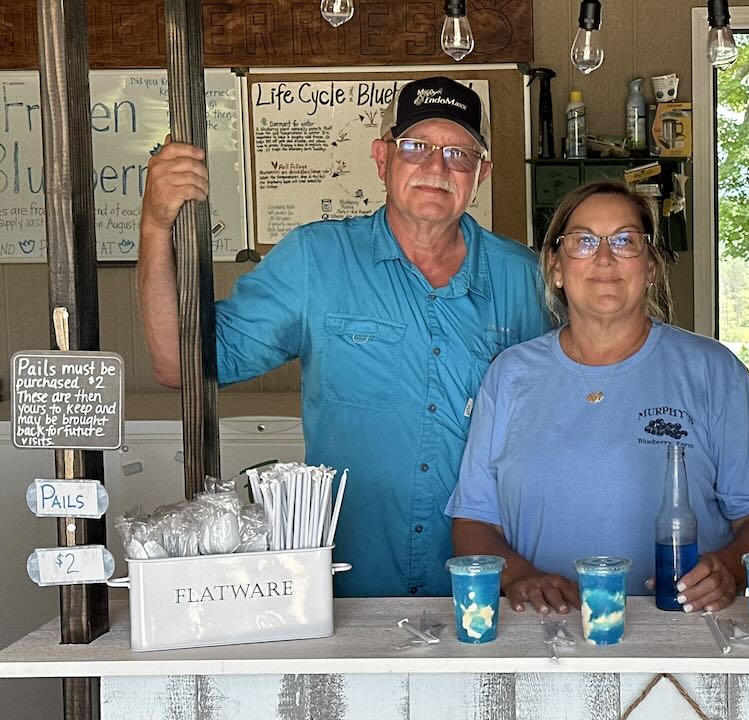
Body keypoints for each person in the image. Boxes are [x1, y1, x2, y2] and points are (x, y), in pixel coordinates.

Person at [138, 77, 551, 597]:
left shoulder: (528, 279)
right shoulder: (317, 260)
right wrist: (156, 226)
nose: (436, 167)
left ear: (481, 173)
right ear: (382, 158)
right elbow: (180, 365)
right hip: (347, 587)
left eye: (458, 153)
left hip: (487, 587)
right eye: (415, 147)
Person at [447, 181, 749, 614]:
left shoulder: (713, 371)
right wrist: (518, 575)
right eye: (584, 241)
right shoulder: (510, 375)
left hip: (681, 630)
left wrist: (729, 569)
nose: (605, 258)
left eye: (626, 241)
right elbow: (474, 519)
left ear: (650, 266)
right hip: (543, 635)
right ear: (556, 266)